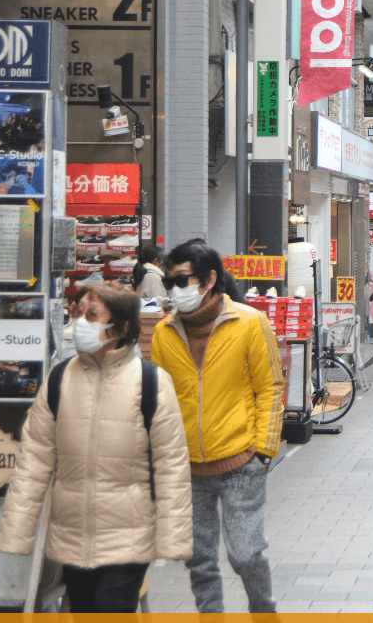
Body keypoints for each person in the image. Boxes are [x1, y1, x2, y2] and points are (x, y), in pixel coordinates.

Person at [0, 283, 192, 612]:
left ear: (121, 327)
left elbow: (171, 465)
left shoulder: (151, 383)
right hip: (71, 540)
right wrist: (17, 532)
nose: (80, 323)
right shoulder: (59, 381)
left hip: (127, 540)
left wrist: (174, 538)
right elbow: (33, 462)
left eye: (92, 315)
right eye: (78, 314)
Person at [150, 240, 285, 614]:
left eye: (182, 281)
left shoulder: (249, 322)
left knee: (245, 554)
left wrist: (263, 450)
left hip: (241, 461)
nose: (175, 290)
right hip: (187, 467)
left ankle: (263, 609)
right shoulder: (164, 333)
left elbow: (271, 386)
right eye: (169, 283)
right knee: (199, 559)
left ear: (210, 278)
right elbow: (160, 400)